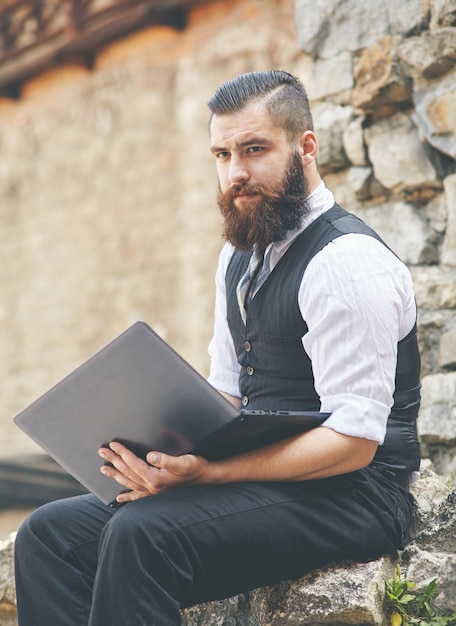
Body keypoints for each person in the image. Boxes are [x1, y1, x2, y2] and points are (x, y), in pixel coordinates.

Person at [14, 70, 421, 626]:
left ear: (305, 148)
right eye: (222, 154)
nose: (236, 173)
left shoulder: (346, 263)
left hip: (354, 496)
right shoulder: (237, 259)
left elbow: (353, 444)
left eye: (254, 150)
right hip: (260, 478)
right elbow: (227, 394)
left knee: (143, 535)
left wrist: (207, 474)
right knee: (50, 535)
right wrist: (158, 454)